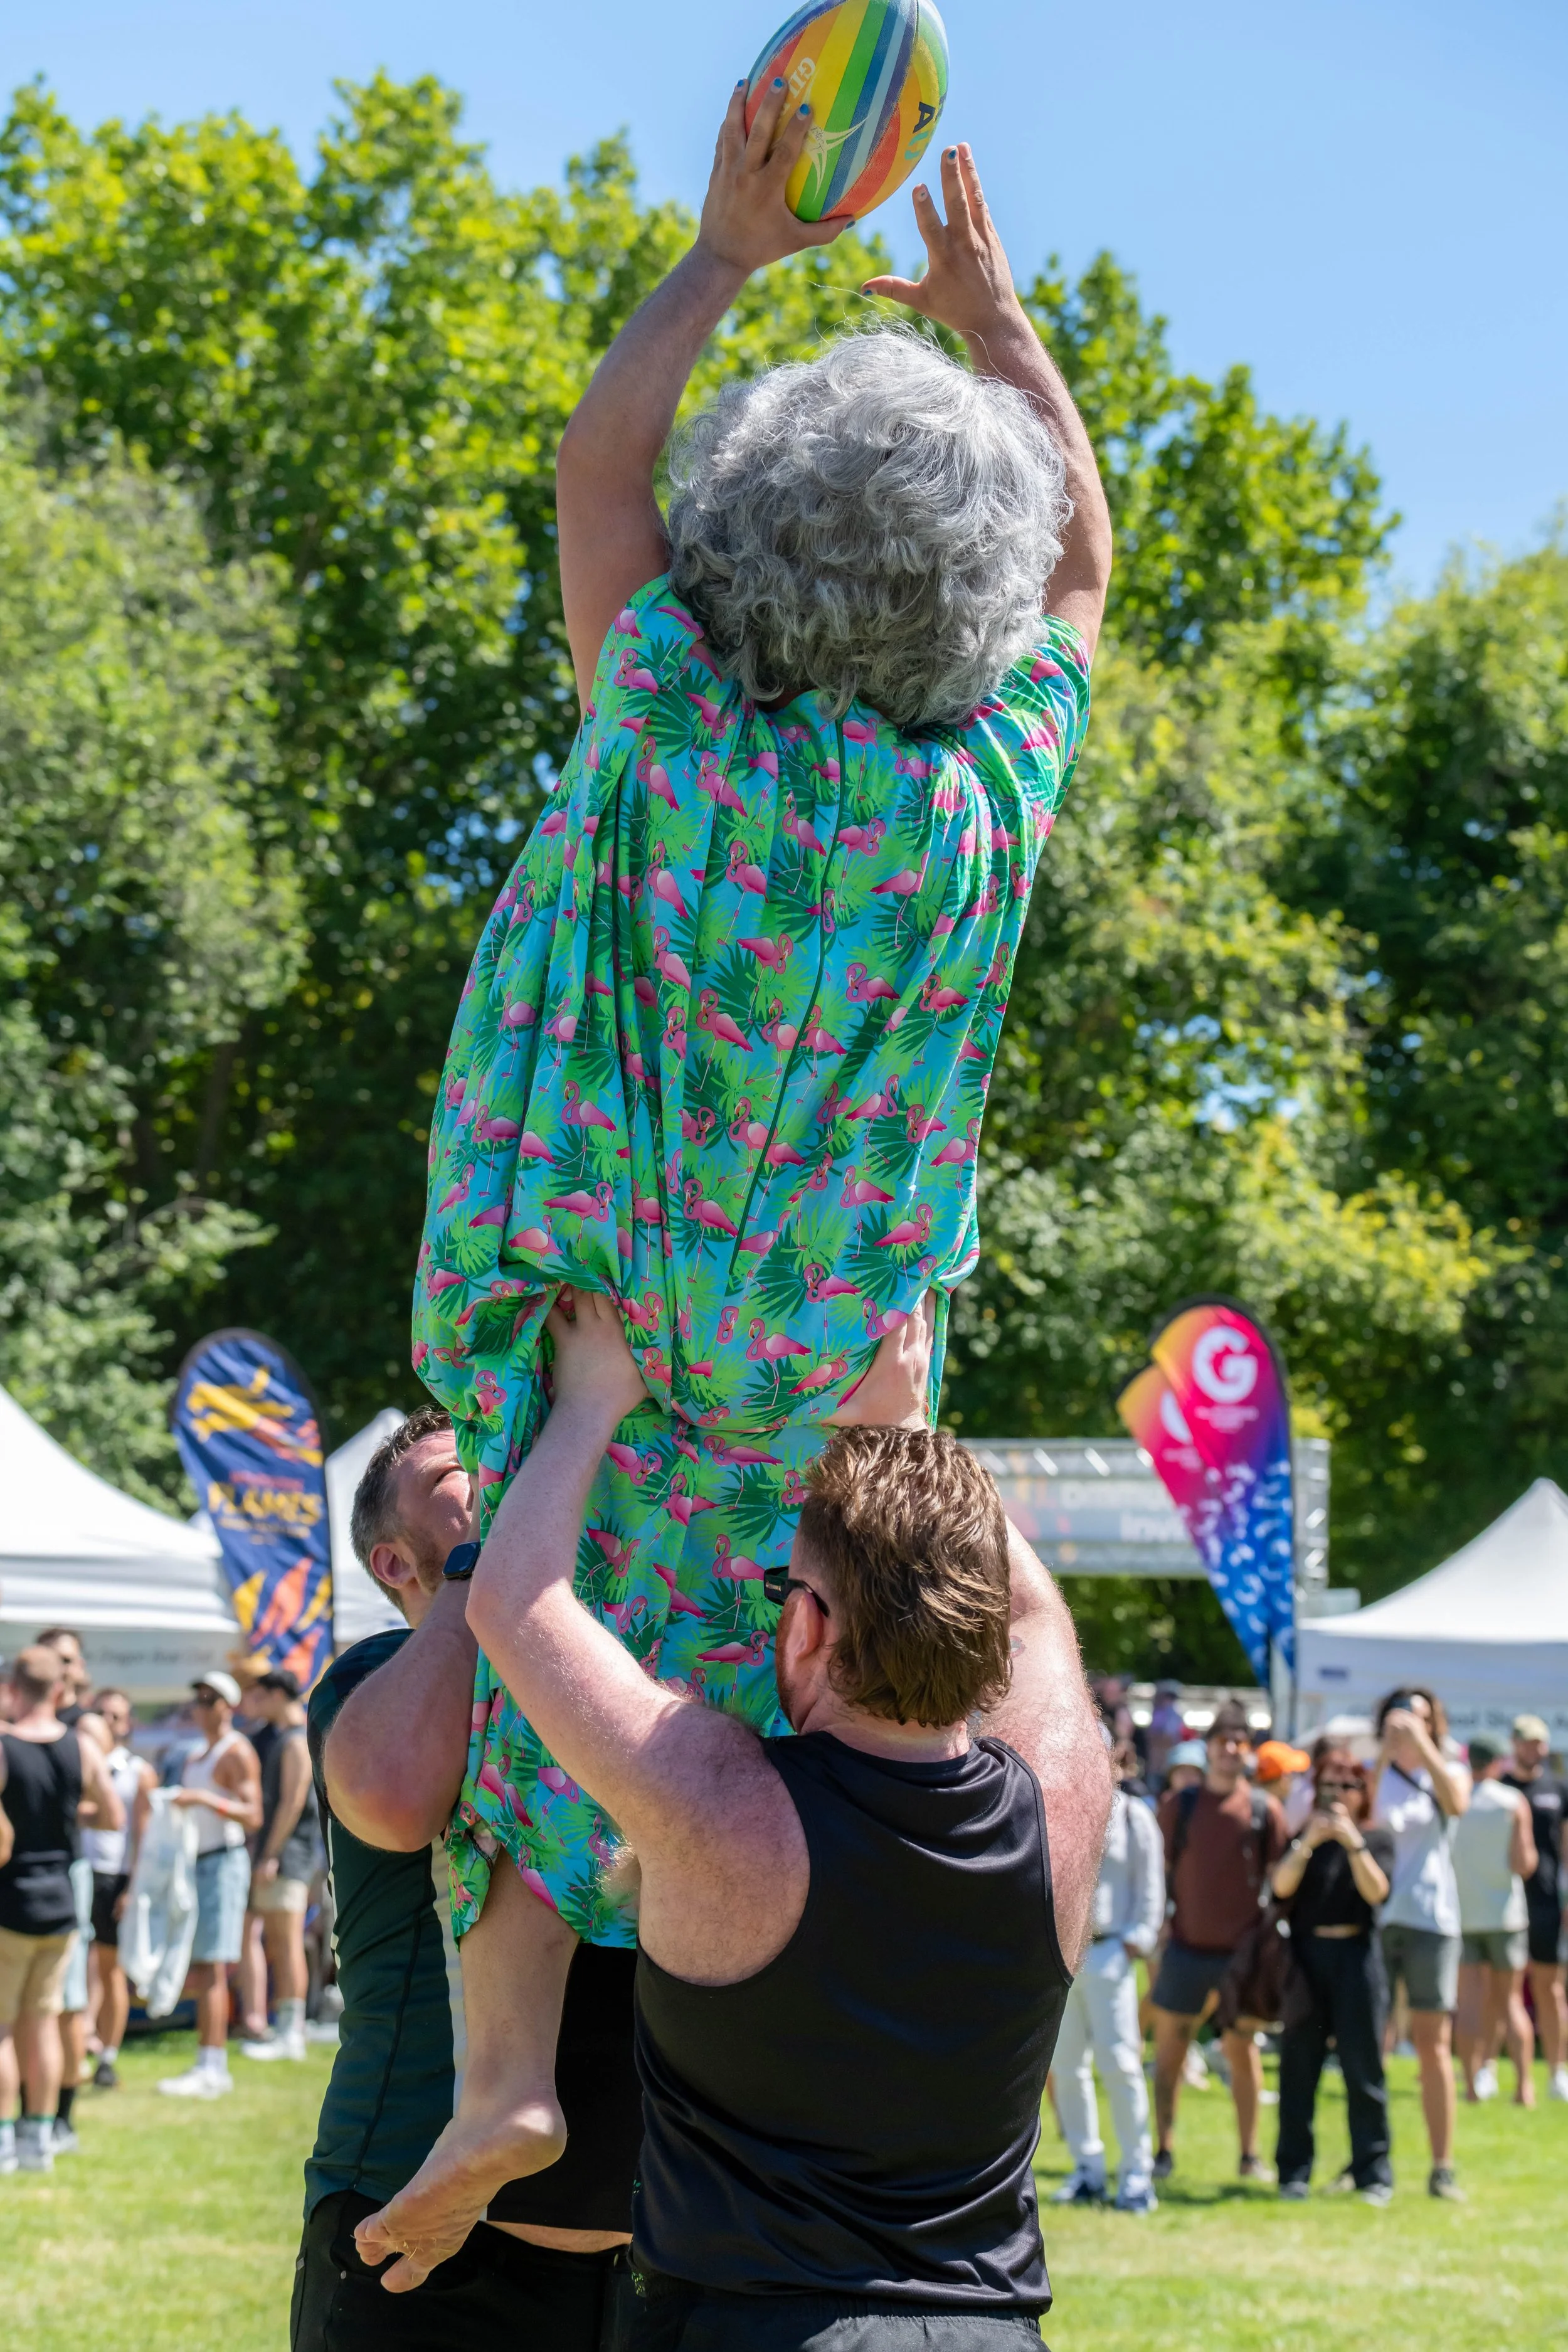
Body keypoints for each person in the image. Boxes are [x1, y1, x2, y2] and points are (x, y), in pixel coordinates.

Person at [397, 91, 1112, 2254]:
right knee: (743, 1700)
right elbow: (1079, 559)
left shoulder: (669, 726)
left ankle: (509, 2076)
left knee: (548, 1673)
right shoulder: (981, 802)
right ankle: (728, 2083)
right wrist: (1007, 336)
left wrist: (725, 255)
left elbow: (597, 467)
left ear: (747, 539)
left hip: (596, 1307)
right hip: (823, 1373)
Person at [358, 1288, 1111, 2349]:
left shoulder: (726, 1804)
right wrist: (907, 1433)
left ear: (804, 1627)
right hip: (988, 2331)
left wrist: (590, 1404)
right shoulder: (1066, 1809)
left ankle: (502, 2081)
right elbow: (1037, 1620)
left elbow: (517, 1602)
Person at [291, 1401, 644, 2352]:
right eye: (462, 1476)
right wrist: (487, 1567)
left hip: (620, 2235)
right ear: (397, 1562)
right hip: (413, 2213)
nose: (502, 1473)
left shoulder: (620, 1663)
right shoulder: (371, 1678)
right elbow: (401, 1792)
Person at [1150, 1700, 1287, 2183]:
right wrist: (1159, 1926)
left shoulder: (1265, 1810)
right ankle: (1162, 2151)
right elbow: (1158, 1870)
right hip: (1186, 1947)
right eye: (1223, 1741)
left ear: (1248, 1751)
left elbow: (1282, 1879)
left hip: (1242, 1957)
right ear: (1208, 1748)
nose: (1231, 1749)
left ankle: (1250, 2156)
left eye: (1239, 1742)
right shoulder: (1180, 1806)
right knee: (1170, 2053)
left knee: (1242, 2054)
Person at [0, 1646, 123, 2173]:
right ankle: (40, 2141)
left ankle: (5, 2141)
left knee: (4, 2027)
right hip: (62, 1903)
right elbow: (113, 1817)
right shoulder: (83, 1747)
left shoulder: (3, 1746)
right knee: (44, 2023)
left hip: (12, 1899)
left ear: (12, 1688)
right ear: (58, 1691)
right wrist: (68, 1812)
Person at [1271, 1747, 1393, 2203]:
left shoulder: (1375, 1839)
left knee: (1364, 2070)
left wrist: (1351, 1841)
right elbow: (1281, 1886)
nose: (1339, 1796)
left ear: (1363, 1793)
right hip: (1306, 1957)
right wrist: (1308, 1842)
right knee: (1298, 2068)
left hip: (1357, 1957)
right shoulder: (1304, 1837)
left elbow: (1377, 1891)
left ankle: (1373, 2173)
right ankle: (1293, 2172)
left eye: (1348, 1786)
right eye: (1330, 1787)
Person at [1051, 1767, 1165, 2212]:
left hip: (1112, 1949)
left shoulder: (1134, 1815)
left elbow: (1151, 1882)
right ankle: (1087, 2169)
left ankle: (1137, 2175)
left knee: (1120, 2064)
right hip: (1064, 1953)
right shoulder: (1058, 1805)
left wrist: (1139, 1937)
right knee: (1066, 2066)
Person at [1371, 1685, 1468, 2199]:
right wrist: (1386, 1752)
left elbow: (1456, 1804)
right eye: (1401, 1715)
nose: (1410, 1723)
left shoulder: (1449, 1765)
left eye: (1422, 1717)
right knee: (1371, 2042)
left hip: (1433, 1919)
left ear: (1436, 1724)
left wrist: (1424, 1747)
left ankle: (1442, 2166)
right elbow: (1363, 1819)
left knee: (1434, 2046)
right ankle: (1372, 2162)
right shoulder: (1376, 1770)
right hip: (1380, 1919)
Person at [156, 1671, 263, 2100]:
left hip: (221, 1862)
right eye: (198, 1697)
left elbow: (253, 1814)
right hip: (198, 1862)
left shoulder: (236, 1751)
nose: (201, 1705)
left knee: (213, 1967)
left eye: (210, 1698)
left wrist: (202, 1800)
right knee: (203, 1967)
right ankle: (208, 2061)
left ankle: (213, 2064)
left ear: (227, 1706)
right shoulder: (199, 1753)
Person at [238, 1668, 320, 2063]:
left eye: (261, 1695)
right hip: (285, 1855)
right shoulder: (287, 1738)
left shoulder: (294, 1741)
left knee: (287, 1944)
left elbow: (292, 1802)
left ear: (275, 1695)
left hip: (292, 1857)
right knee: (279, 1941)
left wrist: (270, 1854)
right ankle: (287, 2027)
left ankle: (293, 2032)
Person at [1453, 1734, 1537, 2107]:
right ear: (1495, 1763)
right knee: (1510, 2003)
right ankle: (1524, 2087)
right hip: (1505, 1917)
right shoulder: (1512, 1801)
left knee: (1468, 2006)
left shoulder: (1455, 1800)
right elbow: (1525, 1864)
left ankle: (1471, 2087)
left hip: (1464, 1916)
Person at [79, 1688, 156, 2090]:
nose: (109, 1723)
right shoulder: (79, 1762)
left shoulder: (137, 1771)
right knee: (83, 1967)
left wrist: (133, 1888)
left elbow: (144, 1838)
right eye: (102, 1714)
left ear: (127, 1723)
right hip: (80, 1871)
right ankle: (80, 2044)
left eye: (117, 1716)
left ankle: (107, 2055)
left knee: (111, 1971)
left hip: (115, 1878)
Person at [1503, 1712, 1568, 2100]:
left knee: (1550, 1988)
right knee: (1502, 1989)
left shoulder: (1558, 1789)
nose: (1535, 1748)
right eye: (1528, 1741)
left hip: (1545, 1903)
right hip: (1504, 1901)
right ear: (1514, 1743)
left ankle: (1558, 2070)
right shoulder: (1502, 1787)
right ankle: (1495, 2071)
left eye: (1540, 1742)